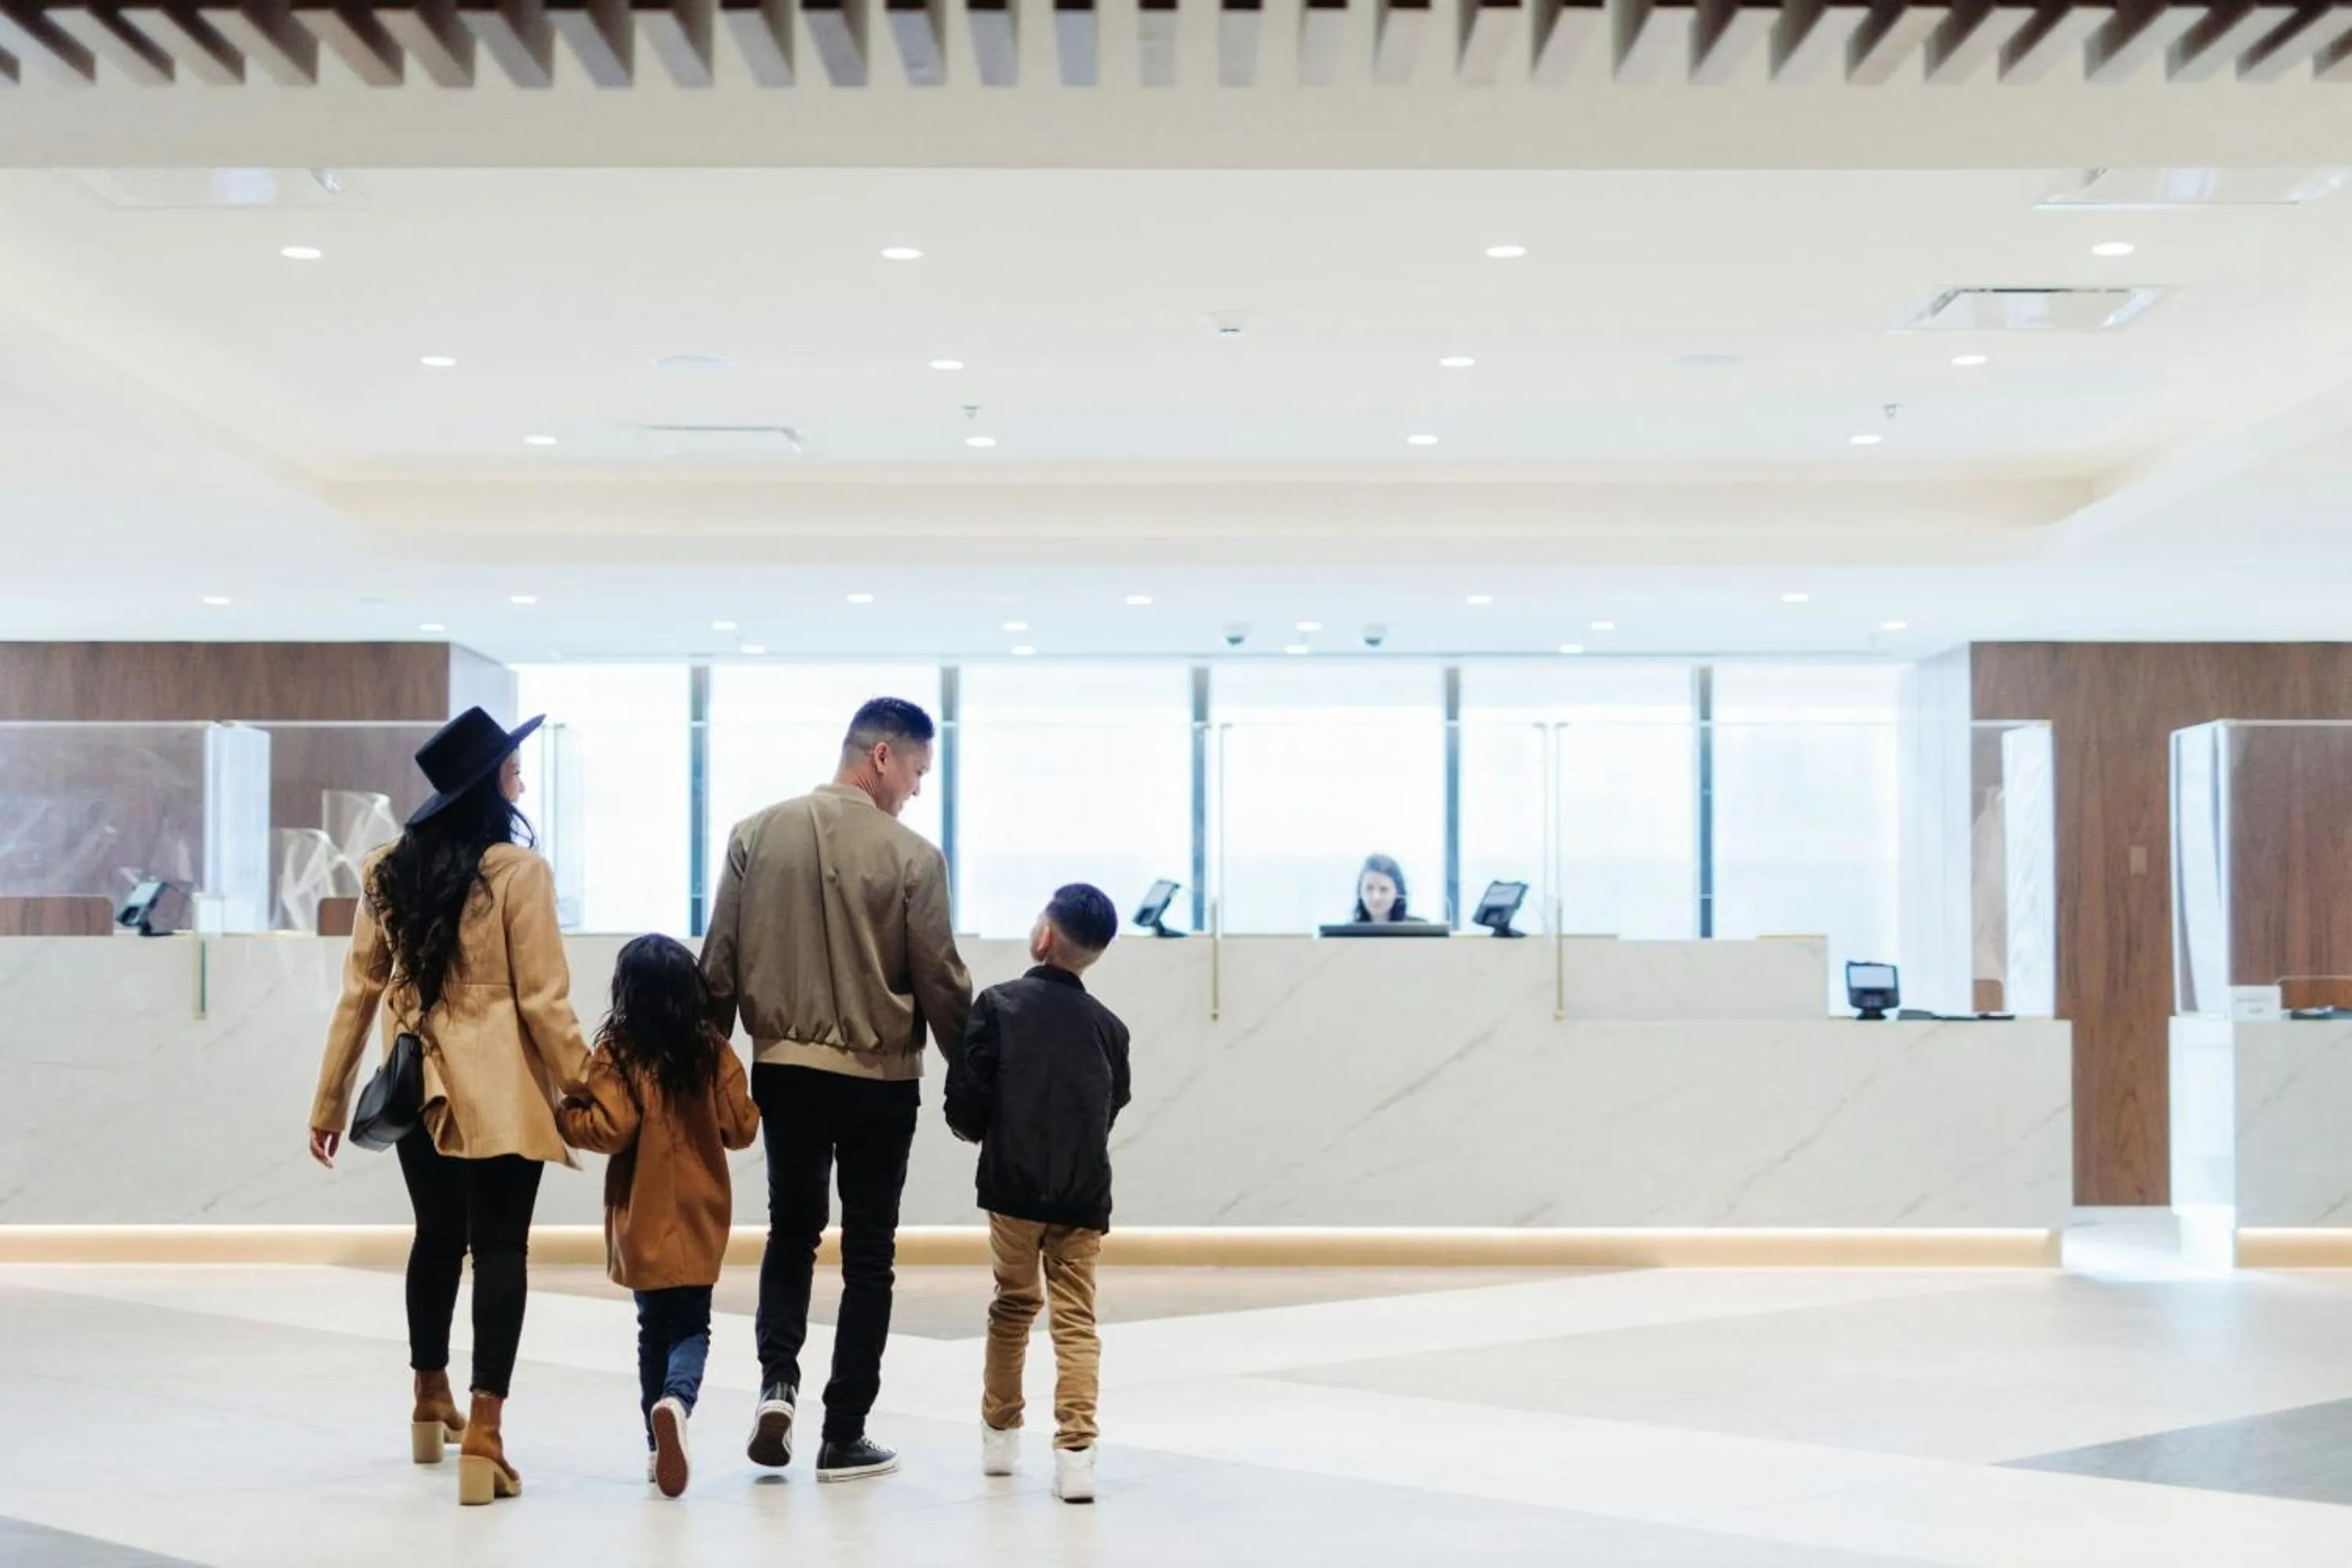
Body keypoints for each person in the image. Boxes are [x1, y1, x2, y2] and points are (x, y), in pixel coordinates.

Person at [307, 706, 592, 1508]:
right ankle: (489, 1433)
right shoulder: (518, 872)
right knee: (500, 1247)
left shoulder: (386, 868)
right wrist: (593, 1089)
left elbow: (358, 994)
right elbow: (544, 1002)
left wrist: (330, 1101)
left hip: (417, 1084)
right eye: (512, 768)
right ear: (488, 786)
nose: (522, 779)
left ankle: (430, 1396)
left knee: (437, 1238)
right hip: (498, 1088)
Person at [701, 696, 975, 1483]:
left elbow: (718, 962)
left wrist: (705, 1062)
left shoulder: (754, 834)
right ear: (882, 756)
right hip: (880, 1080)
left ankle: (776, 1383)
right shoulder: (914, 858)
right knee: (869, 1255)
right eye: (918, 770)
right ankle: (844, 1428)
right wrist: (974, 1070)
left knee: (791, 1231)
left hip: (784, 1069)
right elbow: (941, 978)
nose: (917, 790)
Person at [944, 883, 1132, 1505]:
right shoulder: (1110, 1028)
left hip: (1012, 1187)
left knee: (1013, 1305)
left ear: (1043, 937)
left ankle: (1000, 1437)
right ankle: (1076, 1454)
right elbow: (1112, 1104)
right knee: (1076, 1318)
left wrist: (980, 1128)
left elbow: (968, 1102)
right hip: (1082, 1195)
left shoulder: (998, 1006)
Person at [558, 934, 760, 1500]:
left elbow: (613, 1126)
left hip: (642, 1215)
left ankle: (655, 1446)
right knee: (694, 1324)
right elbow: (741, 1128)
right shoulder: (711, 1051)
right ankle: (678, 1401)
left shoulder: (617, 1052)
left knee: (653, 1328)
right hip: (700, 1211)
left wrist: (566, 1117)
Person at [1352, 852, 1413, 924]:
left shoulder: (1420, 930)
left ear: (1398, 892)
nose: (1375, 897)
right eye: (1369, 888)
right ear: (1360, 891)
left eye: (1384, 889)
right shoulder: (1347, 932)